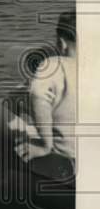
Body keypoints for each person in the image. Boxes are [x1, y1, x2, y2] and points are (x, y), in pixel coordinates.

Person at [17, 11, 77, 164]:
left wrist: (45, 146)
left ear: (61, 43)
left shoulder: (53, 64)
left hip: (64, 156)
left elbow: (38, 97)